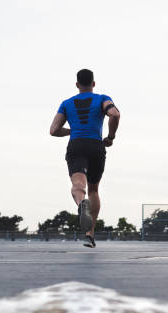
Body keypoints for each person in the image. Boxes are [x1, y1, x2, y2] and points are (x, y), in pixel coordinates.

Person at [49, 68, 120, 248]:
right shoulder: (102, 98)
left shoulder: (67, 103)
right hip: (96, 146)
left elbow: (53, 130)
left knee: (78, 186)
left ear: (77, 85)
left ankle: (81, 204)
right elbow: (115, 114)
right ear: (93, 84)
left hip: (77, 145)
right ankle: (90, 234)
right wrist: (110, 137)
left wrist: (72, 131)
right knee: (94, 190)